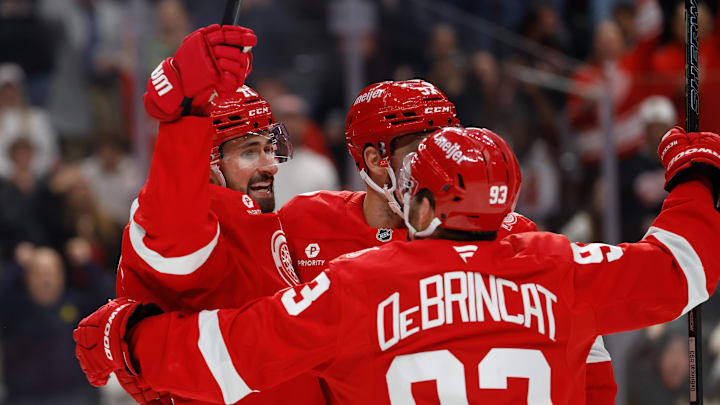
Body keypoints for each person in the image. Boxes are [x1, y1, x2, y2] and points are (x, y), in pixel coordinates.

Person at [76, 125, 720, 403]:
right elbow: (681, 271)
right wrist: (694, 180)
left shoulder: (360, 282)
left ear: (418, 204)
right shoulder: (560, 265)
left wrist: (130, 336)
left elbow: (232, 355)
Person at [279, 79, 616, 403]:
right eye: (419, 153)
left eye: (445, 148)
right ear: (374, 162)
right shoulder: (305, 223)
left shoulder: (507, 231)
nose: (440, 165)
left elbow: (588, 352)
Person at [105, 24, 323, 404]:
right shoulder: (189, 221)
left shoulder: (257, 218)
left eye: (270, 148)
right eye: (250, 151)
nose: (270, 165)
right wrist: (188, 114)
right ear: (206, 164)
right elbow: (174, 229)